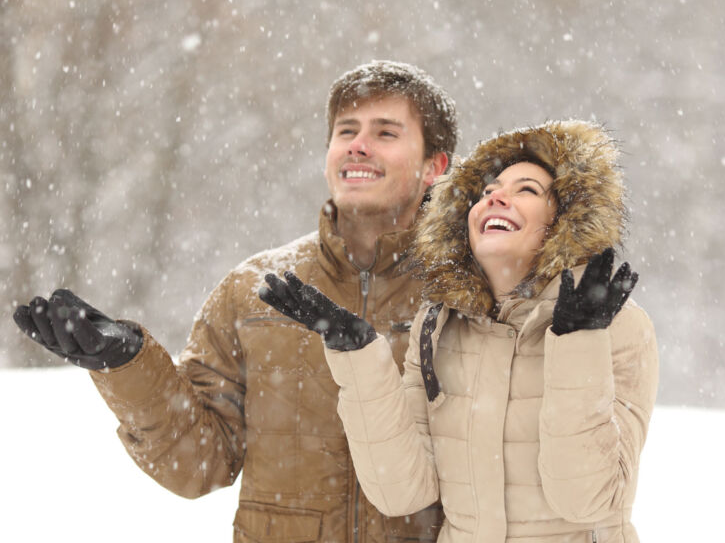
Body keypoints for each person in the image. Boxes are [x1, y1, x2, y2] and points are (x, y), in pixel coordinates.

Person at [13, 60, 458, 543]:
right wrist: (126, 366)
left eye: (385, 132)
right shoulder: (253, 291)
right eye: (345, 130)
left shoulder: (466, 293)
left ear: (435, 166)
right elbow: (200, 463)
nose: (358, 144)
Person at [259, 120, 659, 542]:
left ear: (565, 221)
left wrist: (579, 343)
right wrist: (358, 358)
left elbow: (588, 500)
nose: (496, 197)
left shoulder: (617, 325)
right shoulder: (436, 327)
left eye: (526, 190)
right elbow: (402, 491)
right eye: (485, 193)